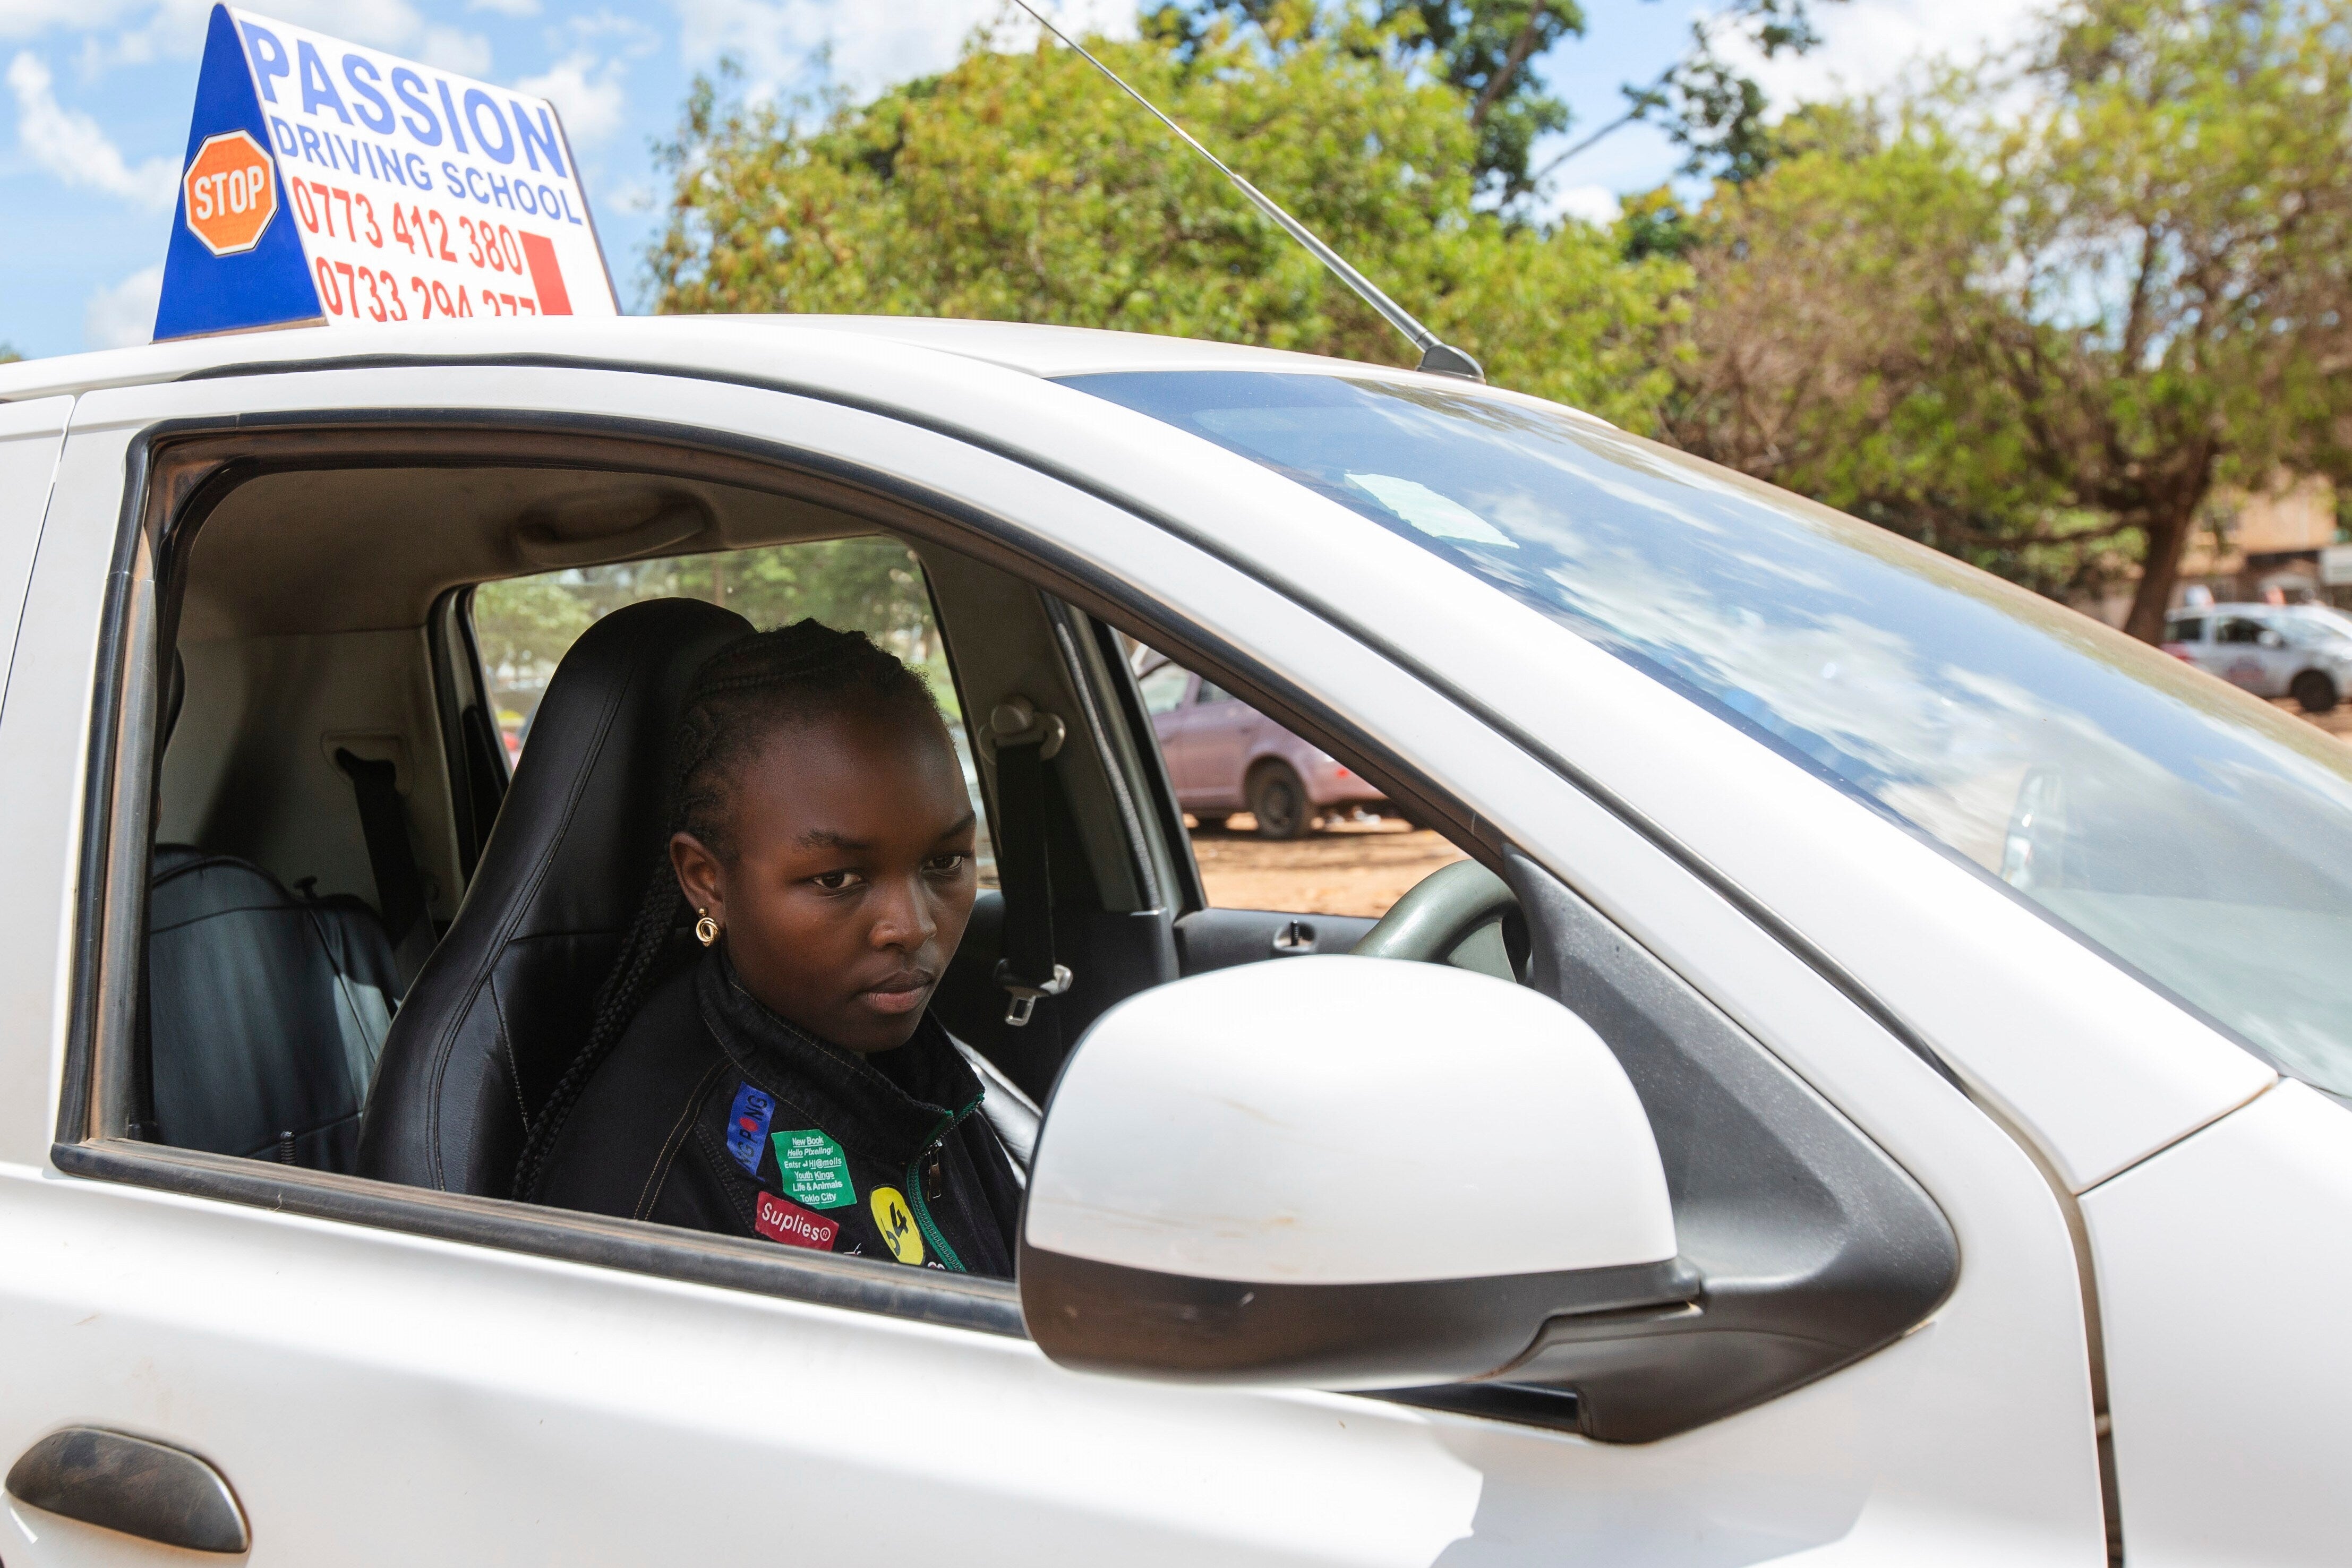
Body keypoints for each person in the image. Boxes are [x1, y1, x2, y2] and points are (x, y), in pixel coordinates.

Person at [515, 619, 1028, 1276]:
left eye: (944, 862)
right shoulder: (651, 1183)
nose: (911, 926)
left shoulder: (911, 1058)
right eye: (836, 878)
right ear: (708, 881)